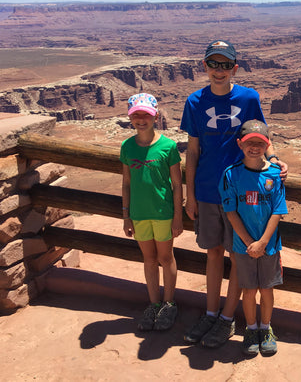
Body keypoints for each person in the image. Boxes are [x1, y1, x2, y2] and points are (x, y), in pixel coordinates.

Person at [180, 40, 287, 348]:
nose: (219, 70)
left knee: (238, 256)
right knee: (213, 253)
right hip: (207, 190)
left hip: (243, 192)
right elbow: (193, 149)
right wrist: (190, 194)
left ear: (234, 68)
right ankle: (211, 313)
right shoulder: (194, 102)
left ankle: (227, 318)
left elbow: (263, 136)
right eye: (214, 64)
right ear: (205, 67)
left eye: (225, 65)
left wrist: (275, 160)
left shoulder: (248, 97)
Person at [219, 120, 287, 356]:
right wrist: (250, 243)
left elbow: (278, 210)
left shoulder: (274, 175)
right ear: (240, 144)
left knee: (266, 290)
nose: (255, 147)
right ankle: (251, 329)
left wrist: (263, 243)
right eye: (250, 143)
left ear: (267, 145)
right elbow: (230, 212)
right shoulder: (231, 175)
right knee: (248, 290)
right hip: (243, 247)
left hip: (269, 247)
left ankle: (266, 329)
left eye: (261, 143)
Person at [120, 93, 183, 331]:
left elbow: (177, 184)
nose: (141, 119)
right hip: (138, 214)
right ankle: (154, 304)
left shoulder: (168, 146)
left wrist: (178, 216)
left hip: (163, 213)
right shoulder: (127, 146)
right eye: (136, 114)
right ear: (130, 118)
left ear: (155, 115)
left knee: (166, 258)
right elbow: (126, 183)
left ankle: (169, 303)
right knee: (148, 259)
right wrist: (126, 215)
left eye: (145, 114)